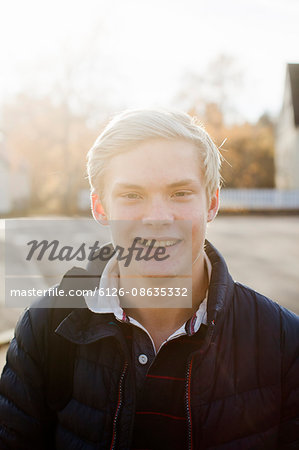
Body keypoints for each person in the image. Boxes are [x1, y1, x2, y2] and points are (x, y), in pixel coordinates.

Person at [0, 109, 298, 449]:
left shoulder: (285, 341)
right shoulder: (44, 326)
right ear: (100, 207)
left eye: (180, 193)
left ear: (212, 203)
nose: (157, 217)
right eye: (132, 195)